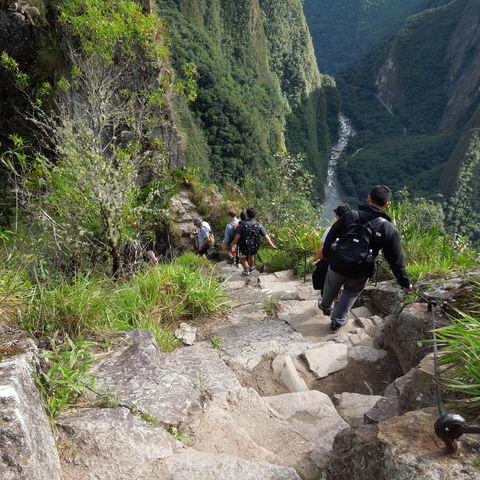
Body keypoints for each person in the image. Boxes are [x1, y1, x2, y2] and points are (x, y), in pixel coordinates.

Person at [320, 185, 411, 331]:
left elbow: (330, 238)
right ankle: (337, 320)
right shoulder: (388, 229)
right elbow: (395, 260)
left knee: (331, 284)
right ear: (387, 205)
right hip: (361, 270)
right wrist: (404, 281)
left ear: (369, 198)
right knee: (351, 292)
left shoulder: (349, 215)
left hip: (338, 263)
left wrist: (328, 257)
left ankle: (325, 305)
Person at [309, 203, 351, 294]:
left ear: (337, 216)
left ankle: (326, 305)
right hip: (352, 266)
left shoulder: (331, 229)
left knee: (326, 286)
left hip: (333, 265)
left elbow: (321, 251)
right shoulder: (356, 228)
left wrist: (313, 259)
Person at [232, 207, 277, 276]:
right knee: (251, 255)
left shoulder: (242, 225)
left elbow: (237, 237)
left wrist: (234, 242)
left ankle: (246, 271)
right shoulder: (258, 225)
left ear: (247, 215)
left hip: (243, 246)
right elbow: (266, 237)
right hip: (254, 246)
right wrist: (272, 245)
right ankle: (251, 267)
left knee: (243, 258)